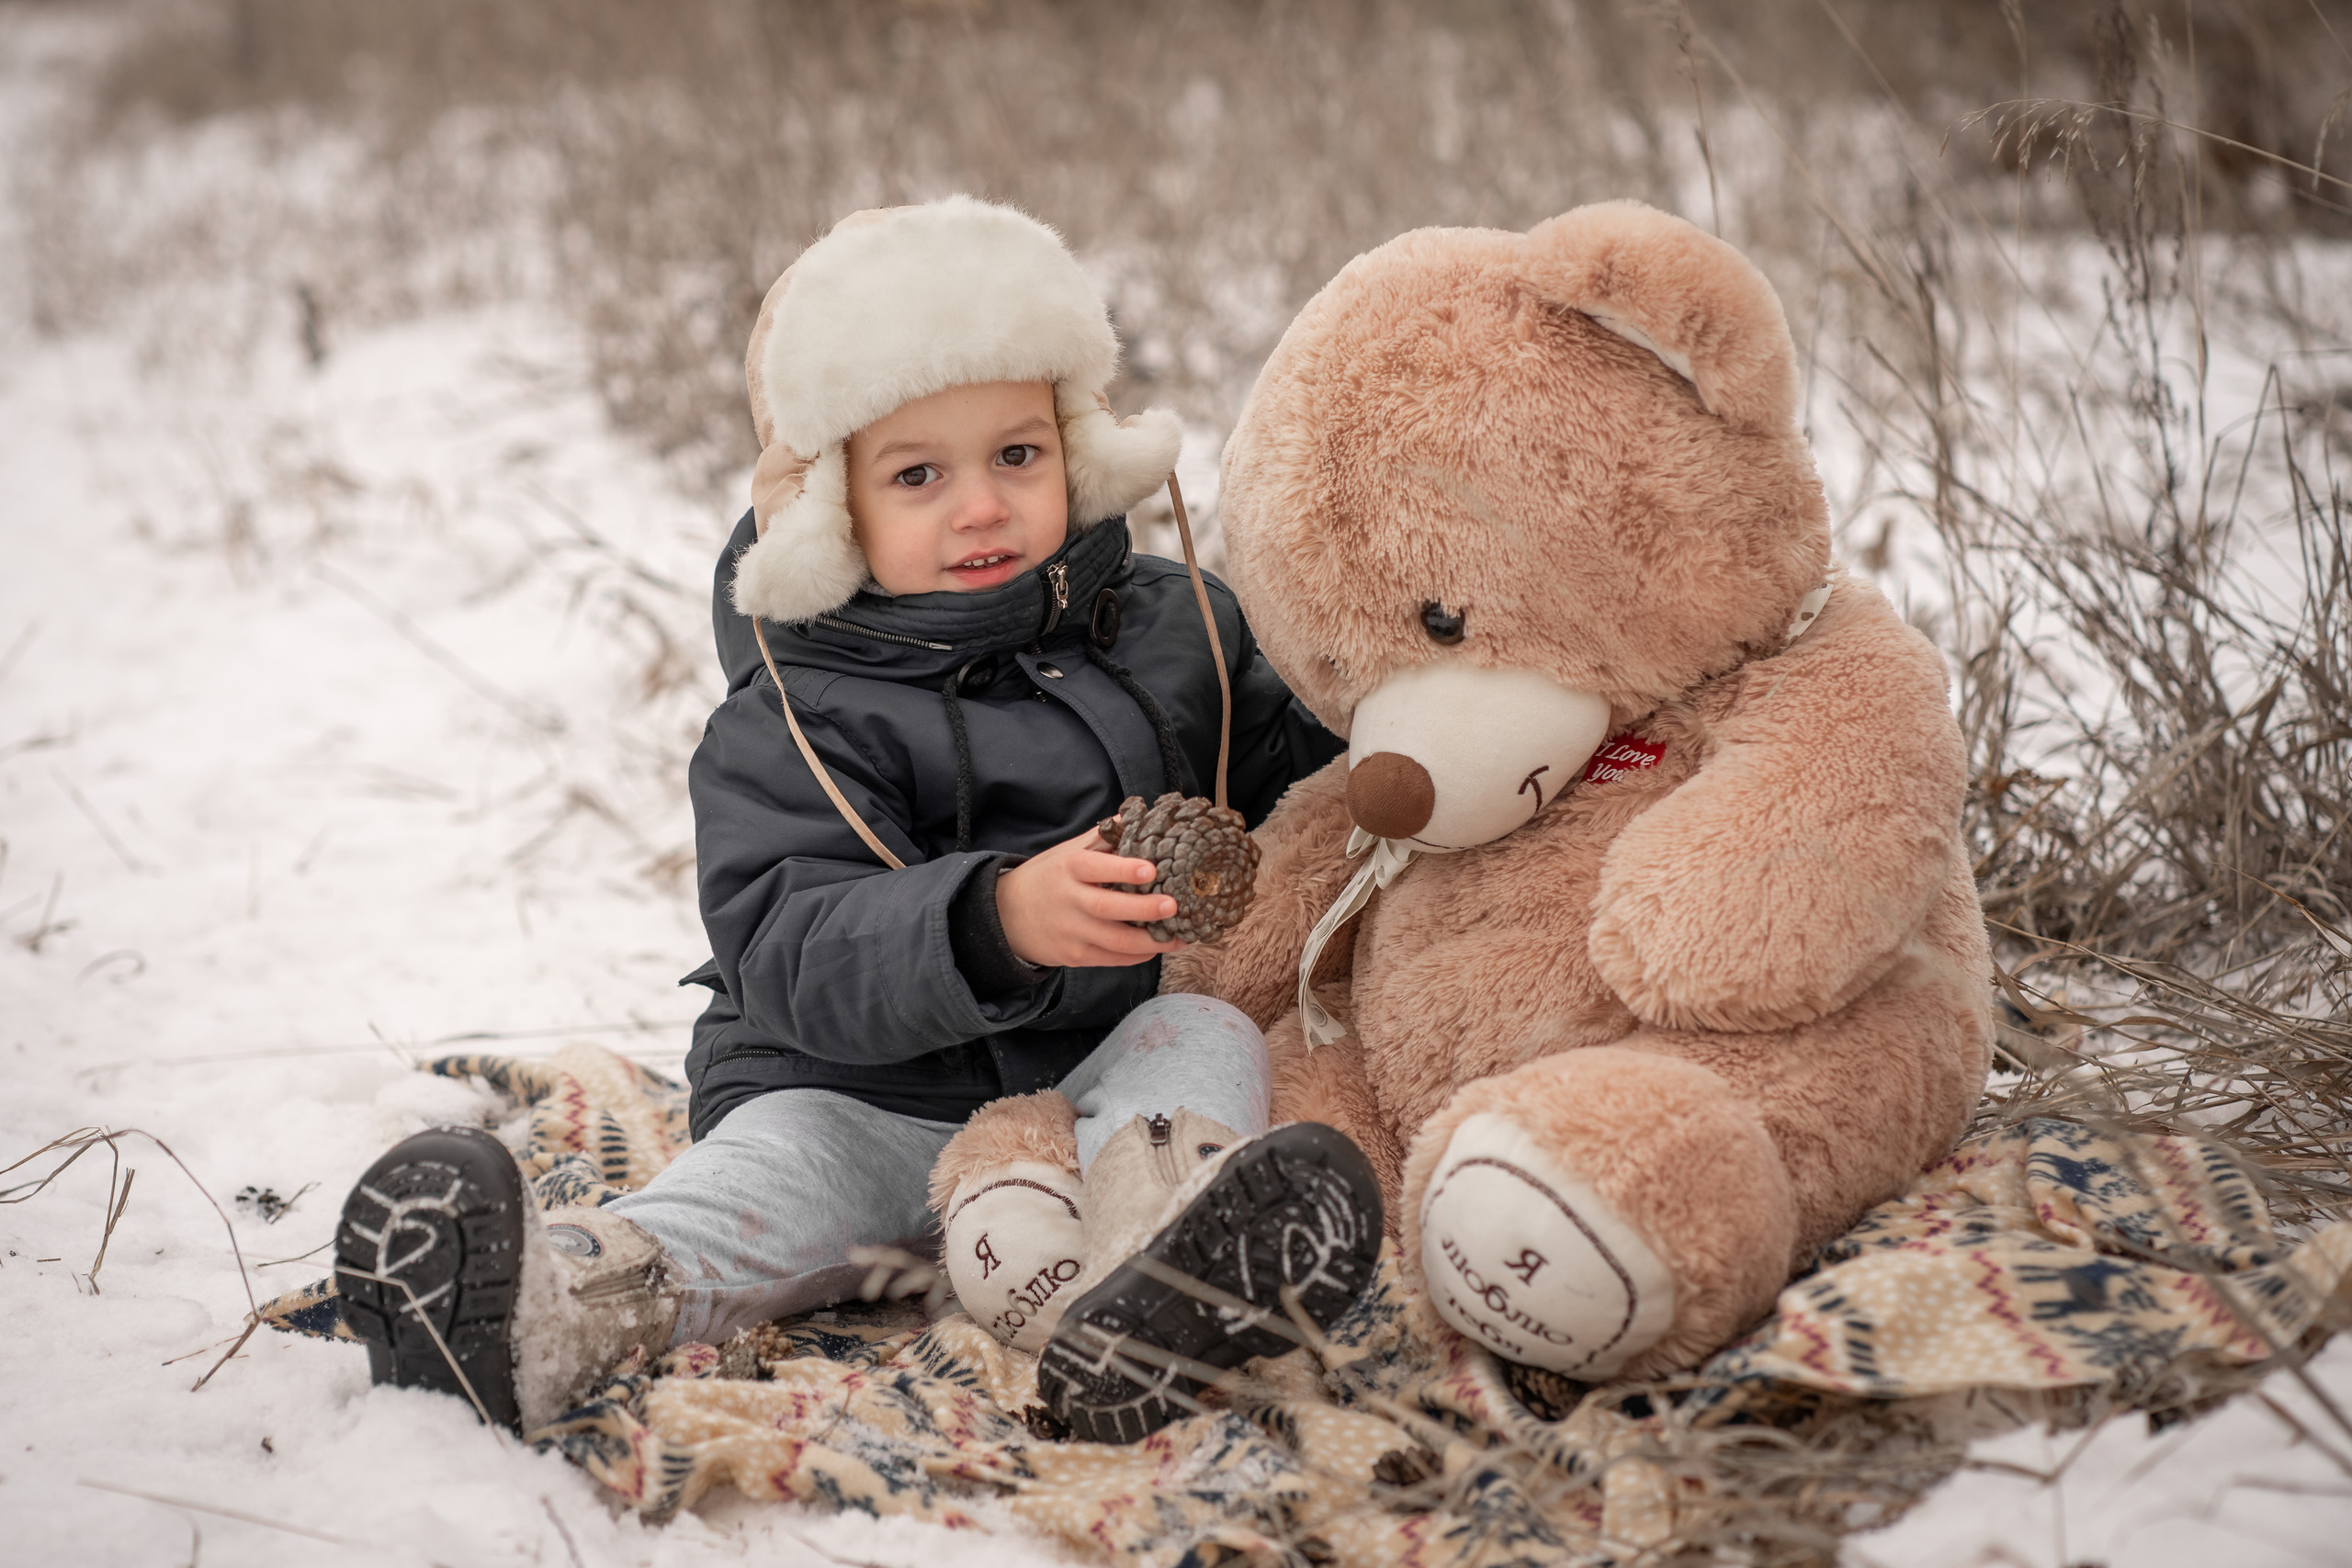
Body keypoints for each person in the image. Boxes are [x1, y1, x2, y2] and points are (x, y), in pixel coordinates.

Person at [331, 197, 1374, 1442]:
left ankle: (1161, 1270)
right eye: (918, 475)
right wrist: (995, 923)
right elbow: (791, 944)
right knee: (760, 1191)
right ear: (831, 501)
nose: (980, 507)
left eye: (1018, 455)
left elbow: (1302, 780)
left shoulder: (1179, 625)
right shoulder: (793, 708)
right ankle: (547, 1310)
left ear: (1078, 444)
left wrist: (1395, 722)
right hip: (856, 1090)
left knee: (1205, 1033)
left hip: (1108, 1054)